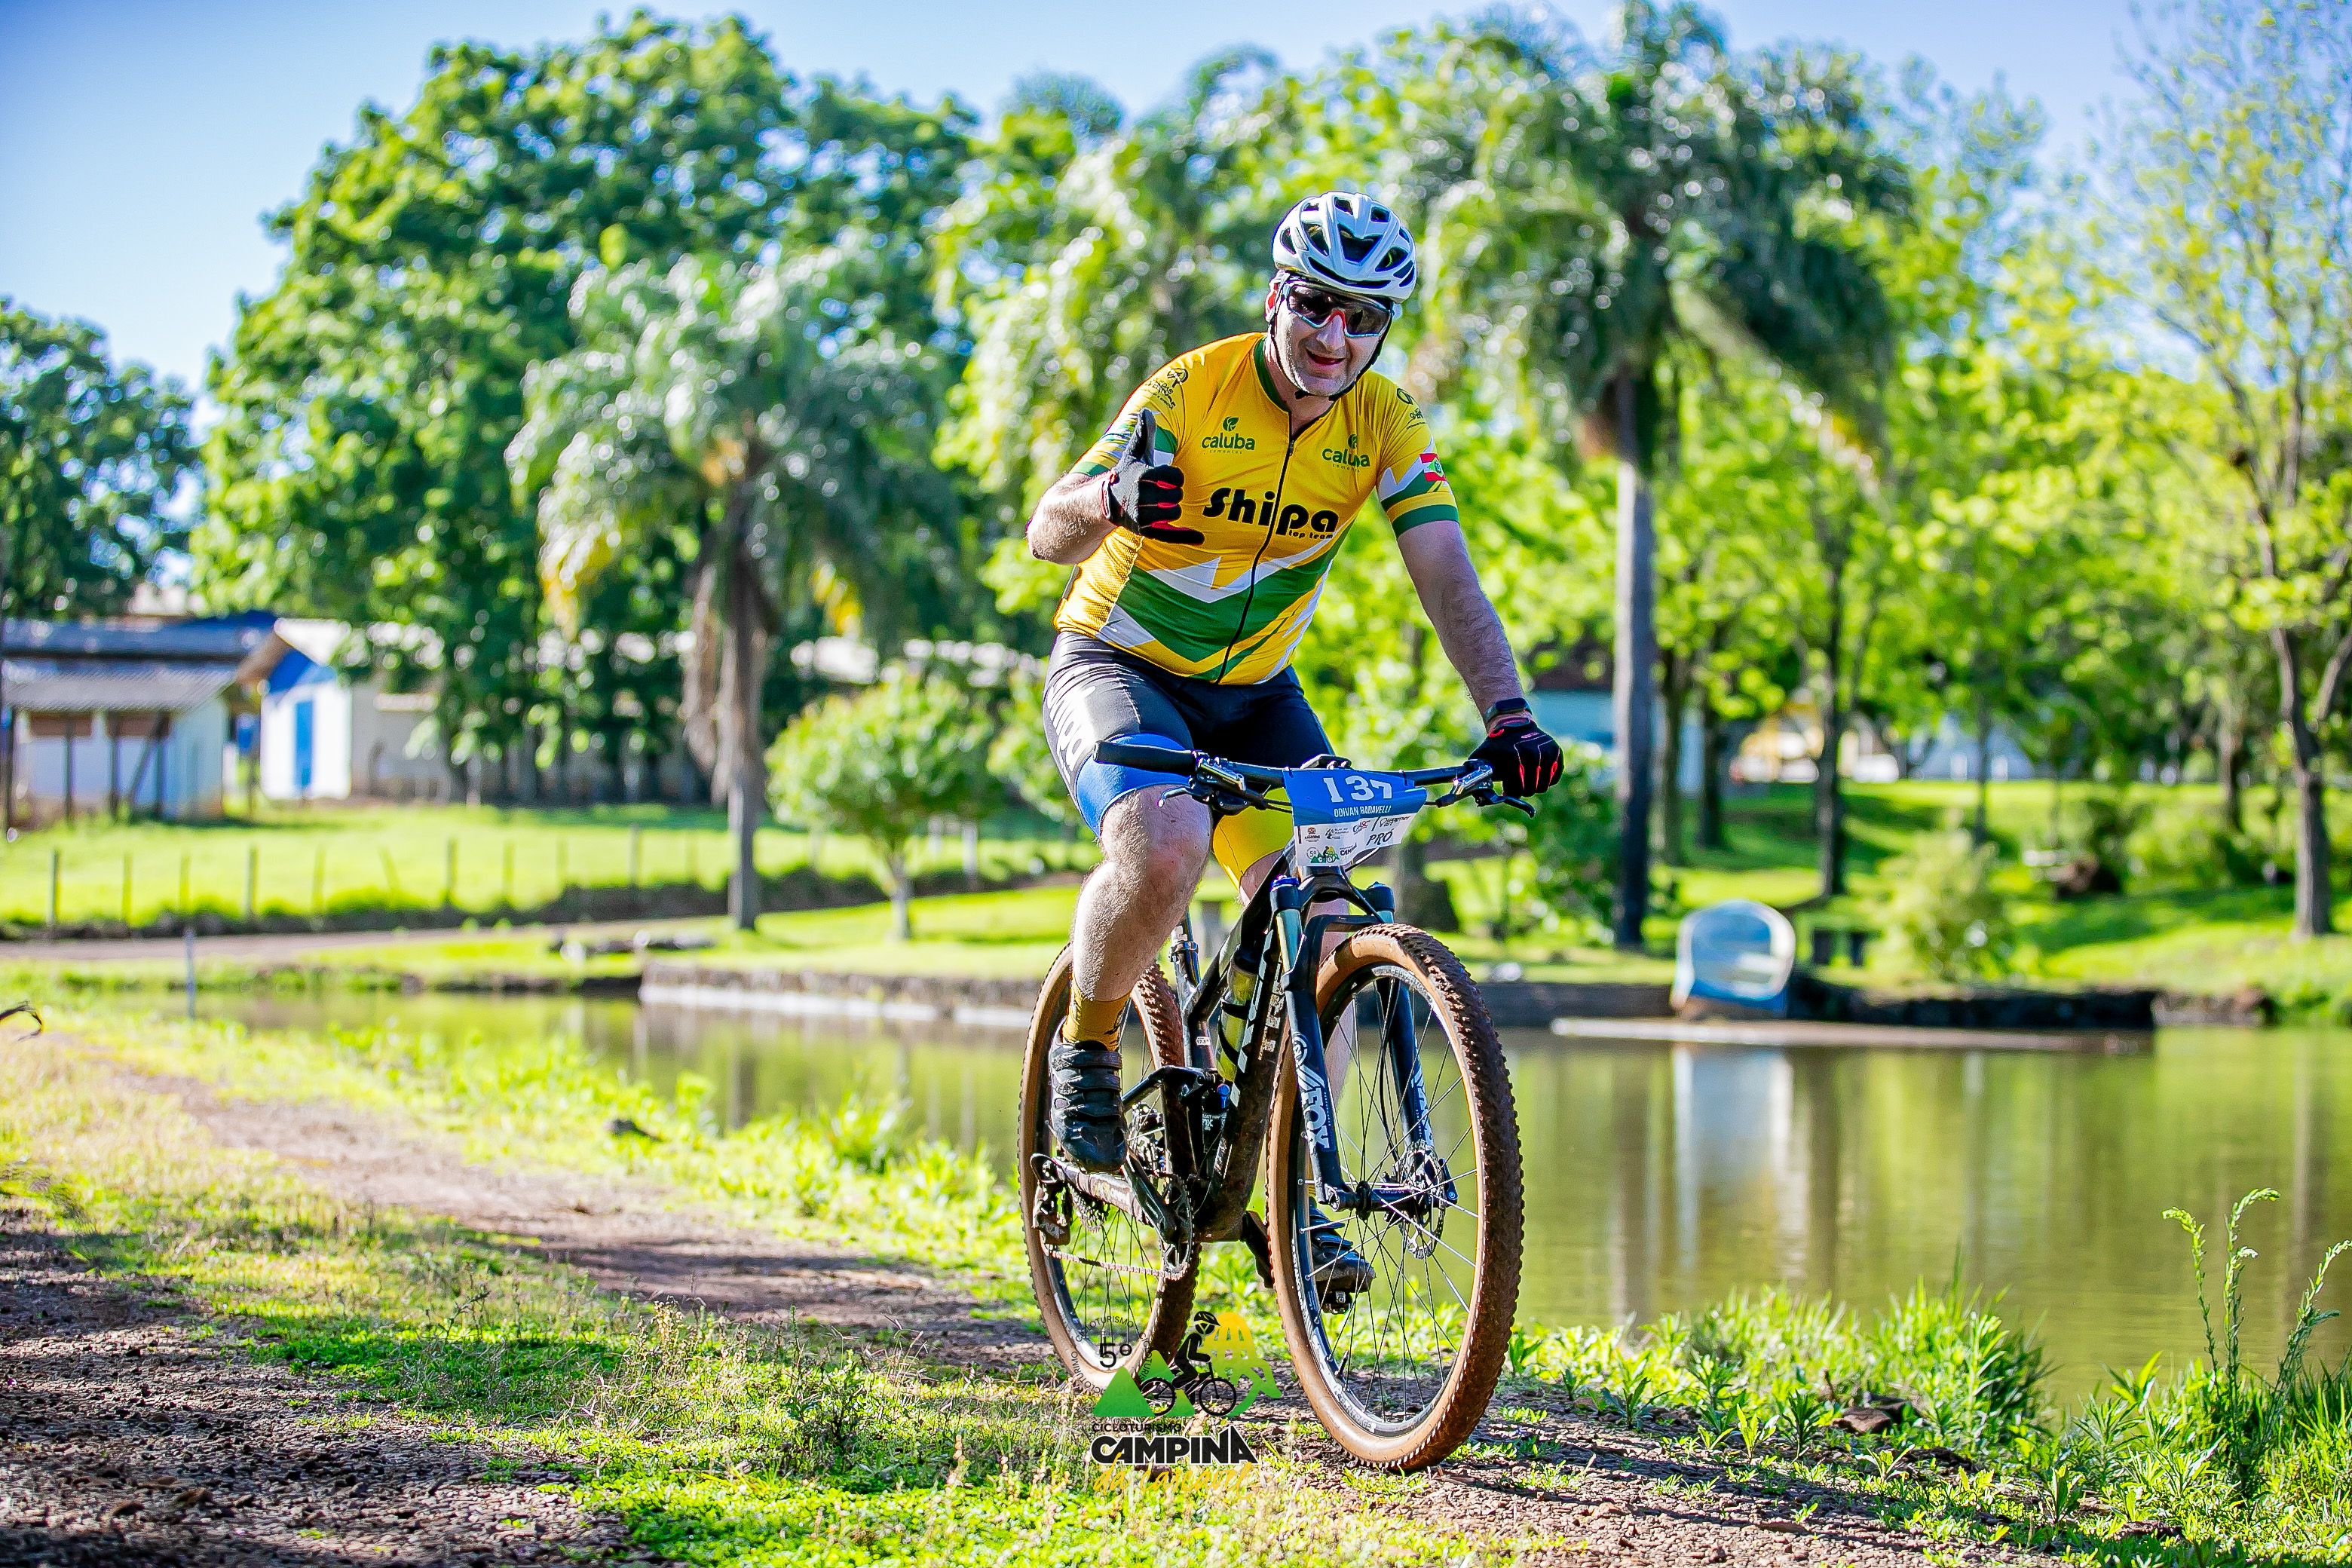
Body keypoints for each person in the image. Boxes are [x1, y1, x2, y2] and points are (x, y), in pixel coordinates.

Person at [1027, 193, 1565, 1283]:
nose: (1334, 336)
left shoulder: (1386, 424)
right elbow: (1049, 529)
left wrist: (1507, 713)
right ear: (1278, 296)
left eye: (1363, 319)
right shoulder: (1192, 389)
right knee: (1167, 845)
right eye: (1316, 305)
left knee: (1326, 921)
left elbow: (1447, 575)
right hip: (1119, 666)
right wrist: (1115, 499)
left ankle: (1291, 1190)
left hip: (1258, 695)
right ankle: (1086, 1050)